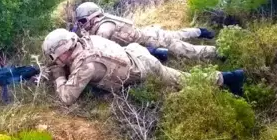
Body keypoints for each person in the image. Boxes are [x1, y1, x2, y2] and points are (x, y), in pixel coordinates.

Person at [42, 28, 245, 106]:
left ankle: (230, 77)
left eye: (56, 57)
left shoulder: (86, 64)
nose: (55, 60)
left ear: (65, 51)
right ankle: (159, 53)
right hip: (135, 52)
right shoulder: (88, 40)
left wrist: (59, 75)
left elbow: (67, 97)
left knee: (184, 80)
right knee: (179, 75)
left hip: (144, 68)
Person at [74, 2, 216, 59]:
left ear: (93, 17)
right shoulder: (102, 23)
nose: (81, 25)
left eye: (83, 21)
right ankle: (199, 31)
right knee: (178, 34)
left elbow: (99, 49)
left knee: (188, 51)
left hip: (154, 40)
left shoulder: (104, 29)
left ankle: (219, 52)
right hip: (149, 34)